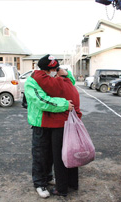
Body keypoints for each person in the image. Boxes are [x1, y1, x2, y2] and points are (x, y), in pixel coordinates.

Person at [24, 55, 75, 198]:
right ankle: (39, 183)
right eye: (54, 69)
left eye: (57, 69)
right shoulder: (32, 82)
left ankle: (48, 177)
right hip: (39, 123)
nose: (56, 71)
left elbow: (70, 85)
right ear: (47, 70)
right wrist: (65, 105)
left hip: (52, 122)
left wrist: (67, 74)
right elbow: (42, 101)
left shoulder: (50, 79)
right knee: (40, 154)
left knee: (51, 154)